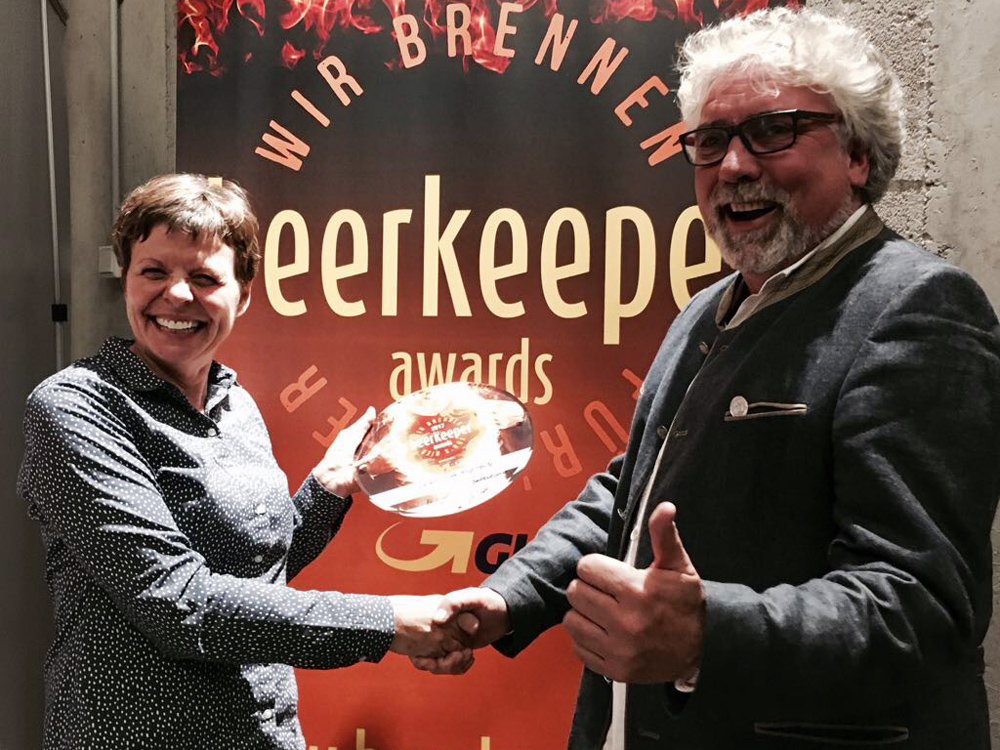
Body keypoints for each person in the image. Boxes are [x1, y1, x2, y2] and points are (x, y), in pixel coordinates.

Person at [418, 8, 1000, 749]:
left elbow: (922, 607)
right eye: (711, 140)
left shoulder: (919, 306)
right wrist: (507, 598)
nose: (733, 167)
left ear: (857, 153)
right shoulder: (706, 309)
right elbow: (630, 493)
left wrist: (707, 635)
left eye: (773, 131)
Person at [18, 174, 468, 750]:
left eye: (204, 278)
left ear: (244, 294)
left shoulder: (235, 403)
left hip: (264, 733)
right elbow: (178, 603)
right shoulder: (75, 407)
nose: (177, 295)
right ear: (126, 278)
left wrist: (327, 489)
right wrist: (388, 623)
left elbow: (258, 571)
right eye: (153, 271)